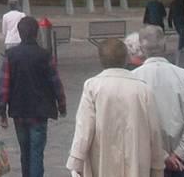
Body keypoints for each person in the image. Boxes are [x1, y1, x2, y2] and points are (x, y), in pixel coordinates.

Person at [66, 37, 163, 177]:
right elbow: (154, 132)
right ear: (126, 59)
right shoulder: (143, 90)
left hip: (102, 162)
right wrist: (158, 166)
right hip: (136, 162)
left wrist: (76, 161)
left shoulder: (92, 87)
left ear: (100, 60)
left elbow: (84, 129)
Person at [129, 26, 184, 177]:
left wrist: (162, 156)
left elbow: (134, 124)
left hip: (147, 159)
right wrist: (181, 153)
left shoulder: (132, 79)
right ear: (165, 45)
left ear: (141, 48)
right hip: (182, 160)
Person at [0, 15, 66, 177]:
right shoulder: (44, 55)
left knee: (25, 152)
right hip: (39, 110)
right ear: (37, 34)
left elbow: (4, 86)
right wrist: (61, 104)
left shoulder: (10, 55)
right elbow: (55, 82)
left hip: (19, 110)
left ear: (20, 34)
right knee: (36, 153)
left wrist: (2, 110)